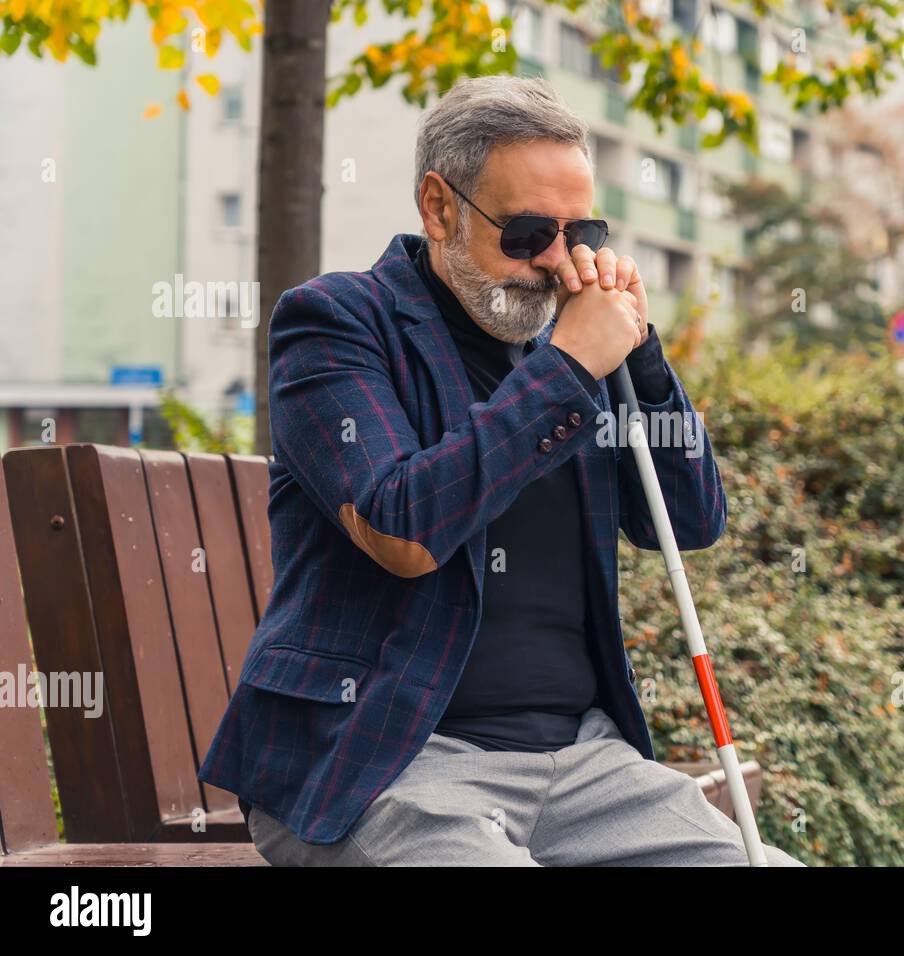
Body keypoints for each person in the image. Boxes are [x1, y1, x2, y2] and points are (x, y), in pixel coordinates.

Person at [198, 74, 803, 867]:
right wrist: (568, 366)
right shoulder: (336, 322)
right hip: (388, 762)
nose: (555, 262)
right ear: (438, 206)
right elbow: (400, 530)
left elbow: (689, 523)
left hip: (586, 764)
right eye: (524, 234)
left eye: (578, 231)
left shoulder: (575, 360)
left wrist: (643, 359)